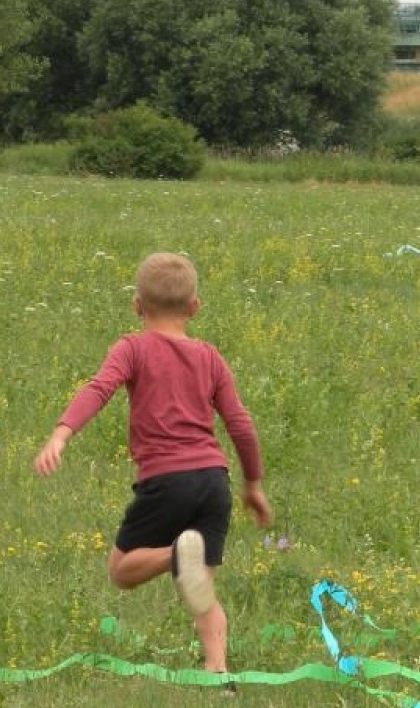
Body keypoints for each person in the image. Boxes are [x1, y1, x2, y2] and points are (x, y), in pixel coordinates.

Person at [34, 252, 273, 680]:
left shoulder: (132, 347)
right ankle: (218, 672)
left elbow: (99, 388)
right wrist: (253, 484)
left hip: (167, 480)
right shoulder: (210, 356)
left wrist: (61, 434)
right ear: (194, 307)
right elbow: (239, 423)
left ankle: (174, 554)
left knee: (122, 571)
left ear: (137, 306)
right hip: (213, 481)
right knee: (202, 589)